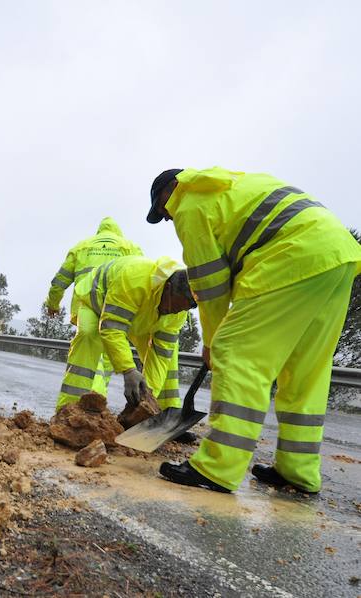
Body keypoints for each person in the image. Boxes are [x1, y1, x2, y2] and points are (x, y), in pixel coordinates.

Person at [147, 167, 361, 494]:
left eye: (163, 210)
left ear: (172, 188)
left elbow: (210, 286)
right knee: (306, 369)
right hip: (338, 255)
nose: (167, 217)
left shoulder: (190, 204)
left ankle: (218, 468)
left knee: (236, 355)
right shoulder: (230, 186)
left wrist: (213, 341)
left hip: (290, 257)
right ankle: (298, 471)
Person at [56, 255, 192, 412]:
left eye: (180, 310)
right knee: (88, 335)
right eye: (172, 307)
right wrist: (128, 370)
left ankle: (165, 415)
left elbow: (160, 355)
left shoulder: (179, 311)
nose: (173, 313)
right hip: (95, 304)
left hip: (141, 316)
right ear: (167, 288)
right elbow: (112, 327)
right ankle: (69, 410)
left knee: (170, 355)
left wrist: (146, 397)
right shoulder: (134, 279)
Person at [46, 218, 143, 402]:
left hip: (87, 305)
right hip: (116, 309)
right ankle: (94, 403)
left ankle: (75, 405)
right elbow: (140, 275)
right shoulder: (130, 247)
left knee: (84, 356)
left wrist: (53, 304)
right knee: (104, 360)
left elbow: (59, 282)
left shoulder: (81, 247)